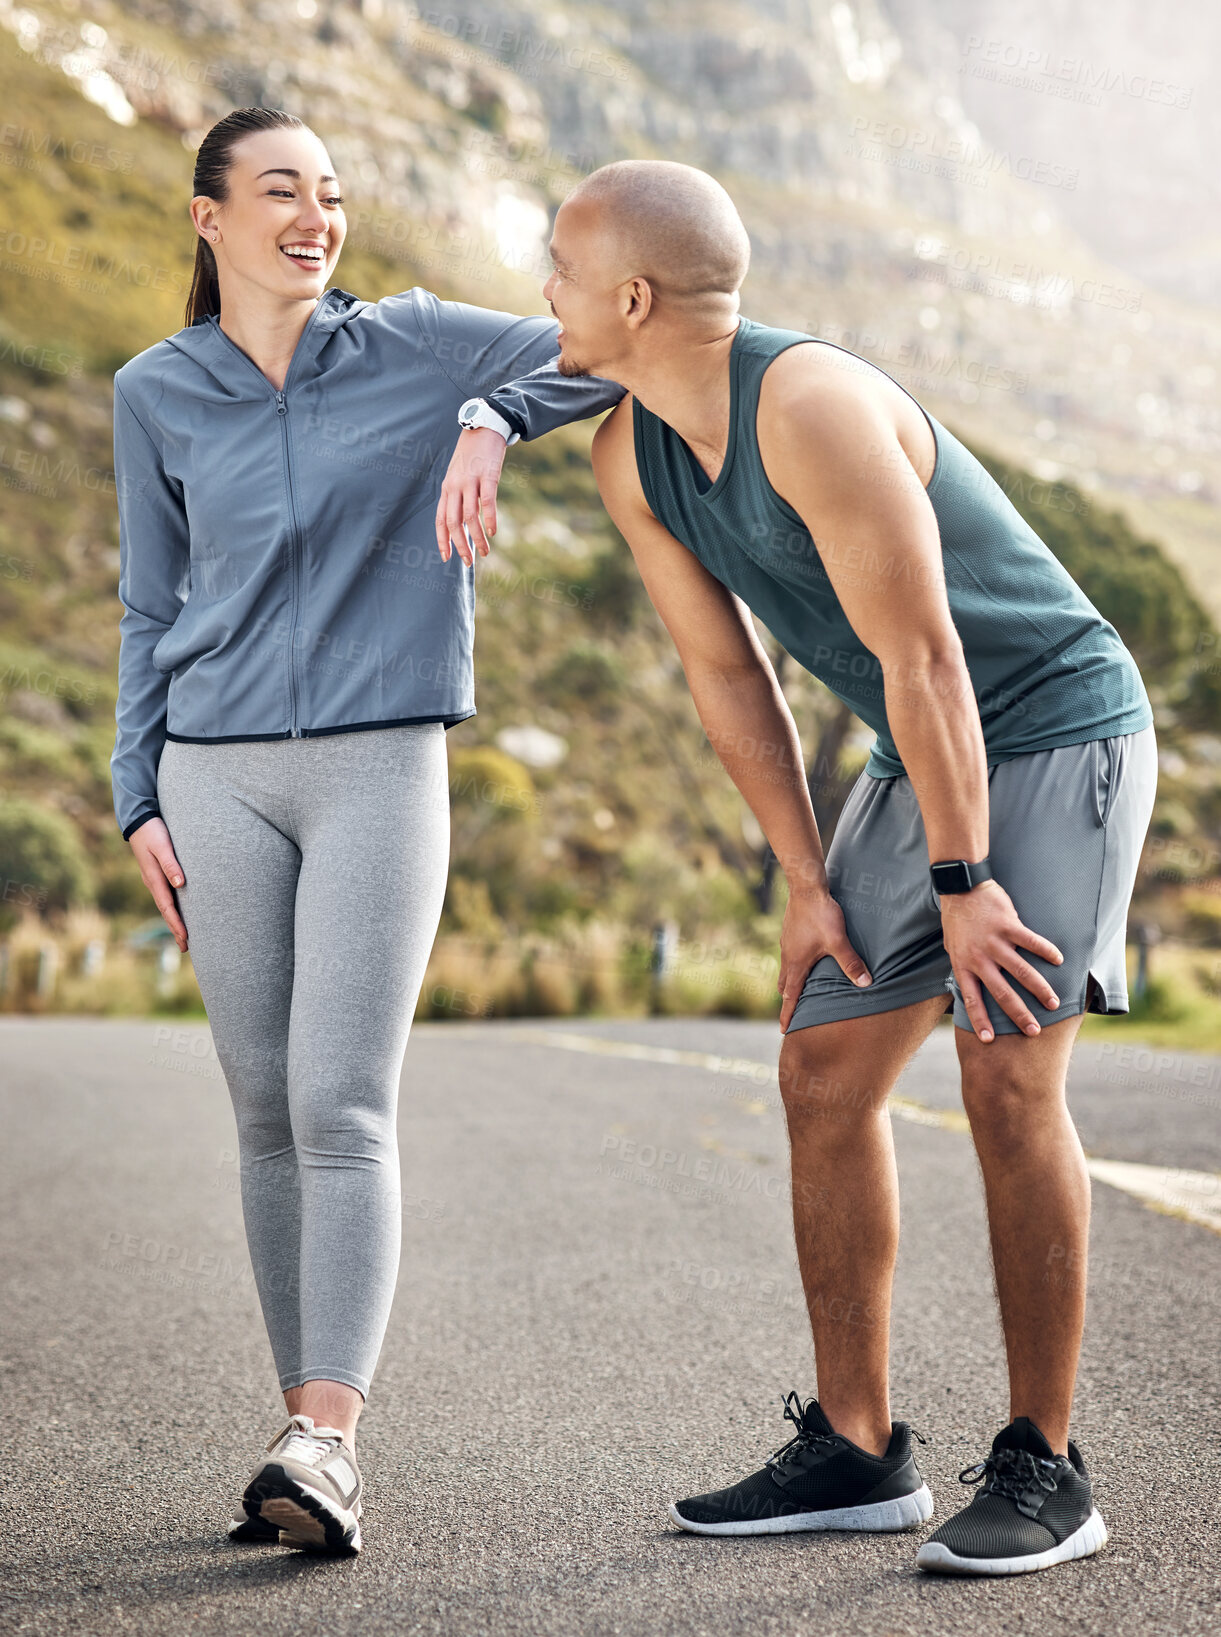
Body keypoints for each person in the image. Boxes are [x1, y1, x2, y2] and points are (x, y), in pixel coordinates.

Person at [437, 159, 1157, 1577]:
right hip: (916, 751)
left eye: (560, 273)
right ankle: (854, 1443)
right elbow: (729, 674)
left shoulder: (811, 405)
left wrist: (964, 887)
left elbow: (927, 656)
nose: (542, 295)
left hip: (1053, 722)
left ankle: (1045, 1463)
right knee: (821, 1071)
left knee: (1004, 1064)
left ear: (632, 298)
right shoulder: (627, 455)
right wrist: (804, 877)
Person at [110, 106, 622, 1556]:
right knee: (262, 1109)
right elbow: (151, 607)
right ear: (209, 218)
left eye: (329, 193)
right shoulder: (155, 389)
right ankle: (298, 1425)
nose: (313, 215)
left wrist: (487, 412)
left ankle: (328, 1438)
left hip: (379, 764)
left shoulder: (411, 343)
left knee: (339, 1100)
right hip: (211, 778)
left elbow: (598, 354)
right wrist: (135, 788)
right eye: (280, 190)